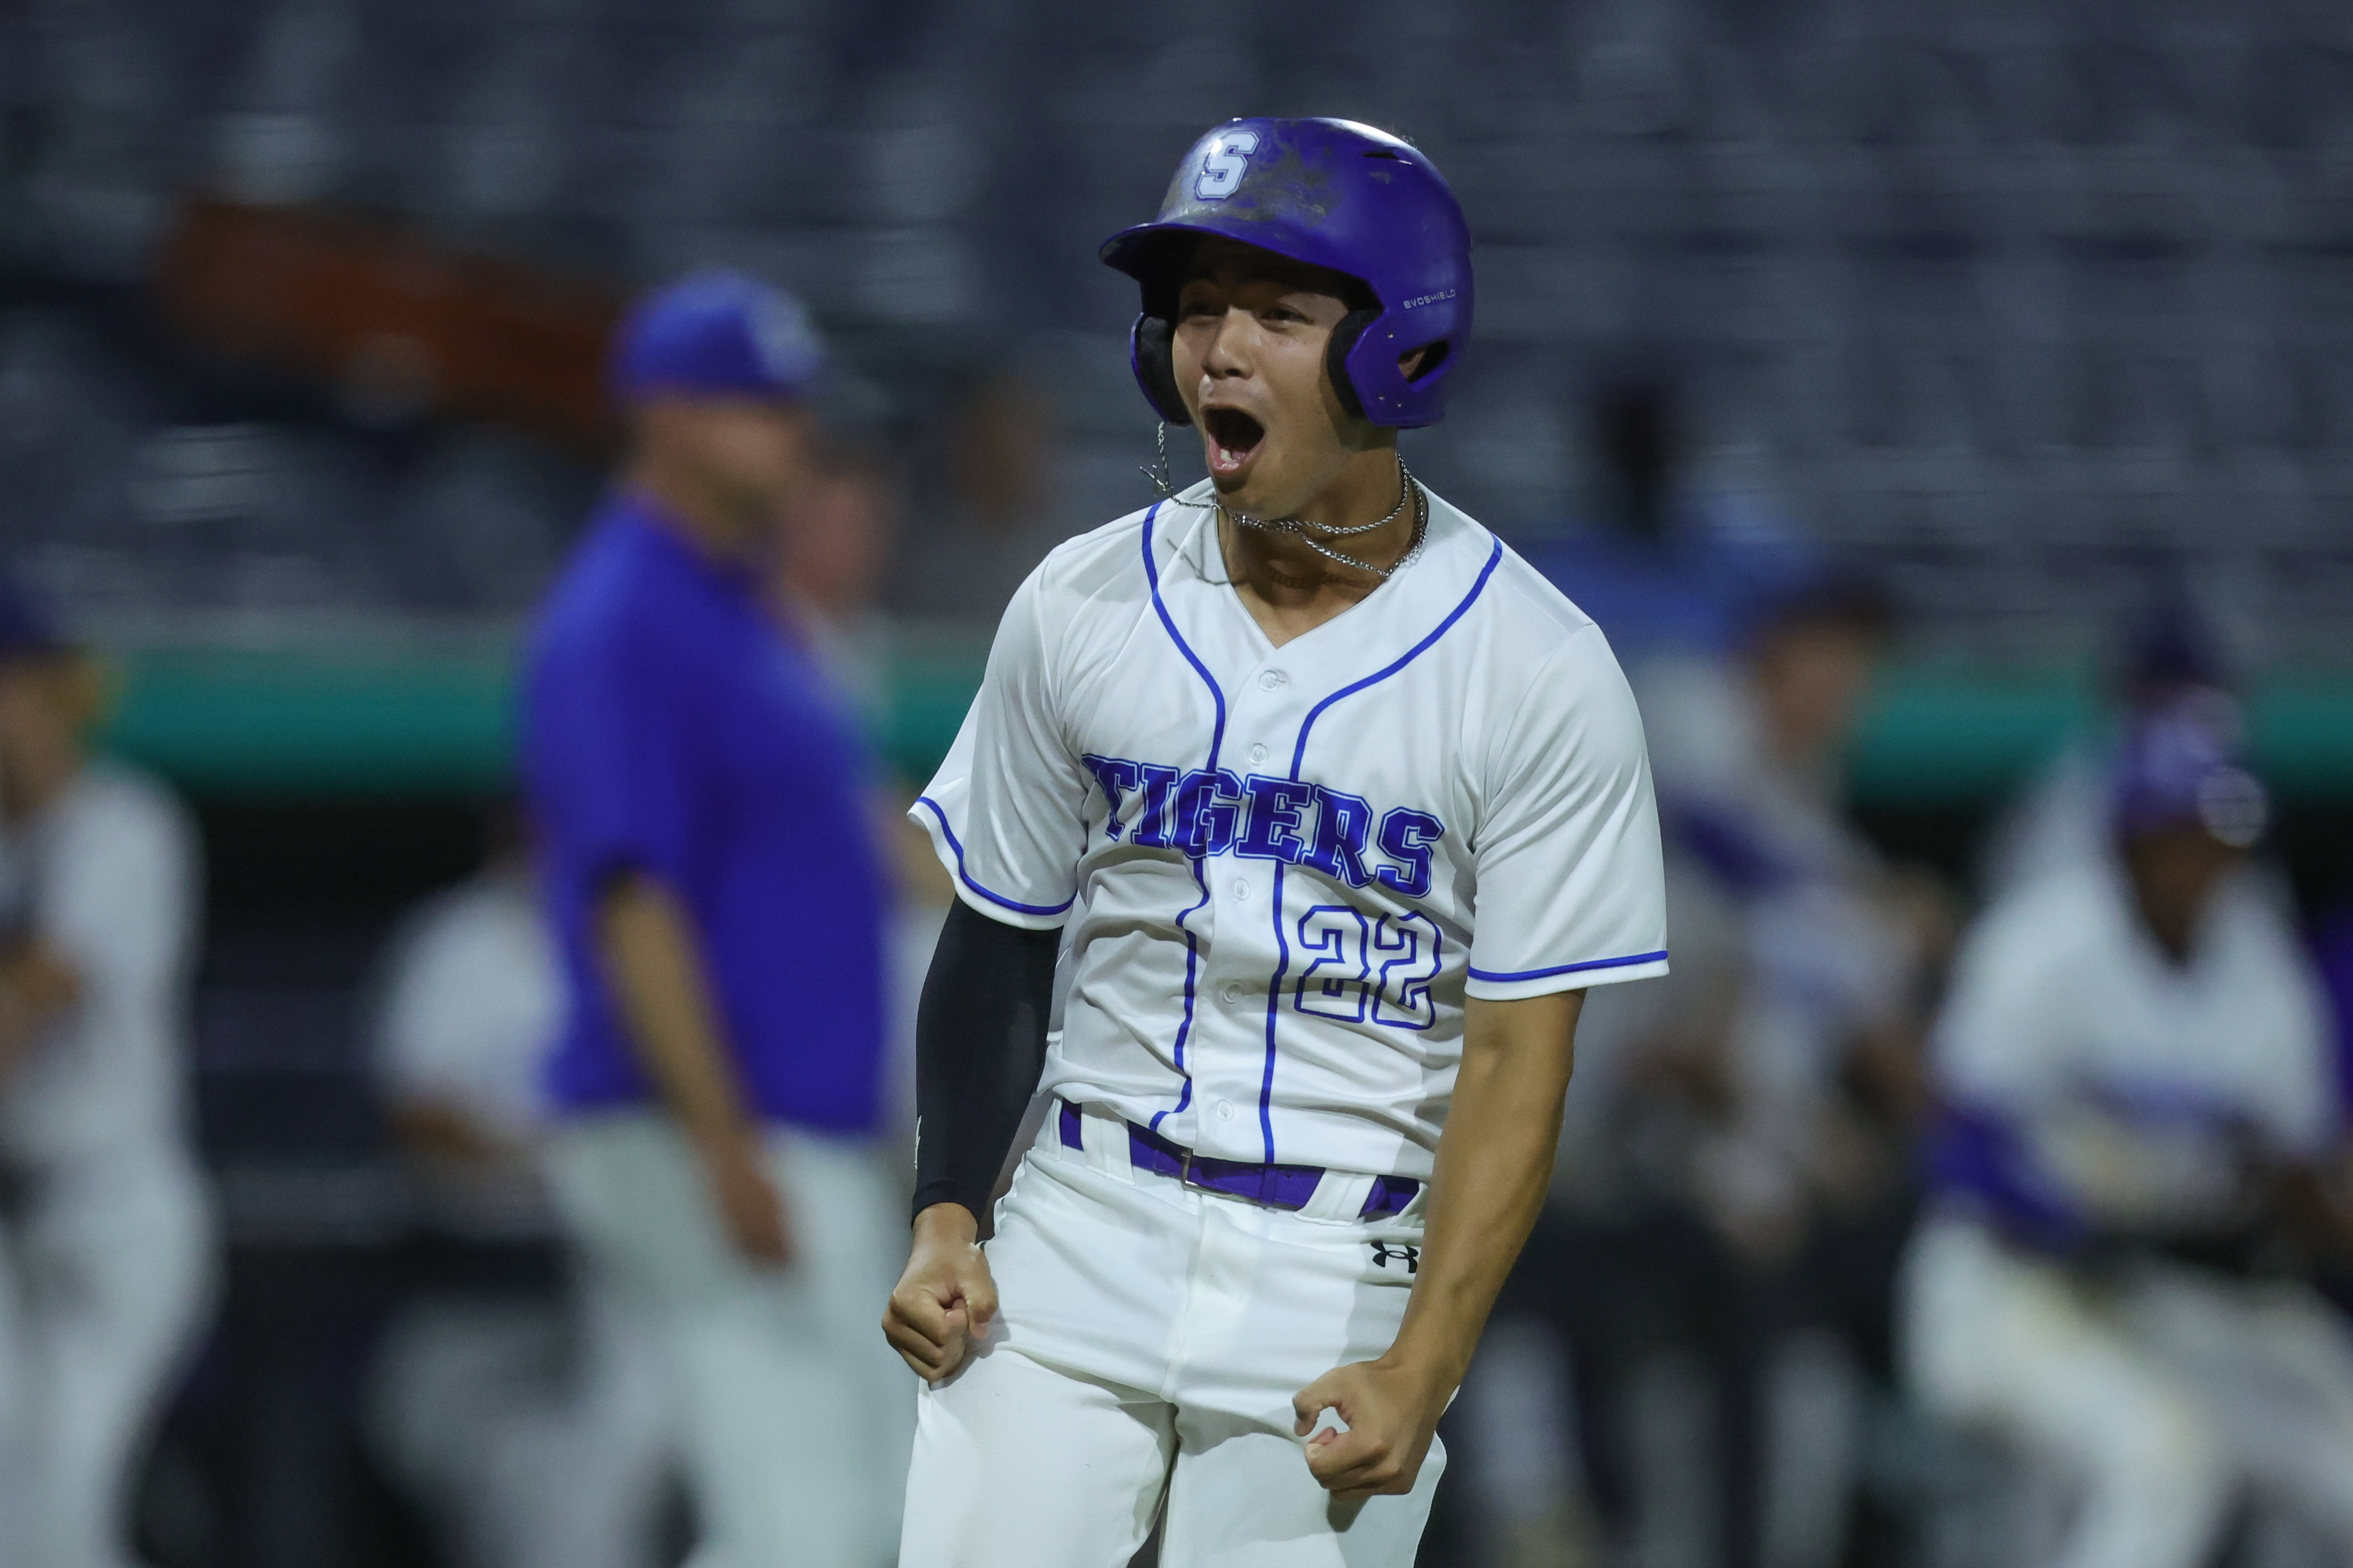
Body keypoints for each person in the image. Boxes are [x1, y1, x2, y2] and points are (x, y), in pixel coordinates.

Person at [882, 118, 1670, 1566]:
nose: (1221, 352)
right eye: (1197, 310)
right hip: (1079, 1218)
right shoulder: (1079, 603)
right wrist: (946, 1211)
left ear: (1397, 348)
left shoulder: (1535, 668)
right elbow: (997, 937)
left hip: (1342, 1265)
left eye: (1280, 314)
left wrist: (1428, 1357)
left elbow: (1518, 1059)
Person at [521, 271, 906, 1568]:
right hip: (705, 1126)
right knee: (806, 1526)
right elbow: (633, 901)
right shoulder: (623, 615)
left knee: (868, 1514)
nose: (794, 431)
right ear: (669, 415)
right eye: (761, 405)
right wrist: (722, 1143)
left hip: (798, 1127)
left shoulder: (744, 609)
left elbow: (857, 839)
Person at [1903, 700, 2353, 1568]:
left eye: (2220, 840)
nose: (2201, 863)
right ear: (2128, 842)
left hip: (2160, 1291)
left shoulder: (2264, 976)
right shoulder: (2041, 945)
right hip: (2004, 1286)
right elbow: (1958, 1148)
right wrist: (2075, 1216)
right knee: (2166, 1461)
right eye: (2179, 838)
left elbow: (2297, 1176)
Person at [363, 817, 674, 1568]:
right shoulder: (460, 942)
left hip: (625, 1290)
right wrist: (542, 1164)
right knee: (524, 1479)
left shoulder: (650, 936)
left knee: (607, 1469)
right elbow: (418, 1113)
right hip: (477, 1293)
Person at [0, 580, 215, 1568]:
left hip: (116, 1203)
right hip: (13, 1207)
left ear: (56, 689)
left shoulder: (127, 825)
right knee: (16, 1492)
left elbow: (37, 994)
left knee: (67, 1482)